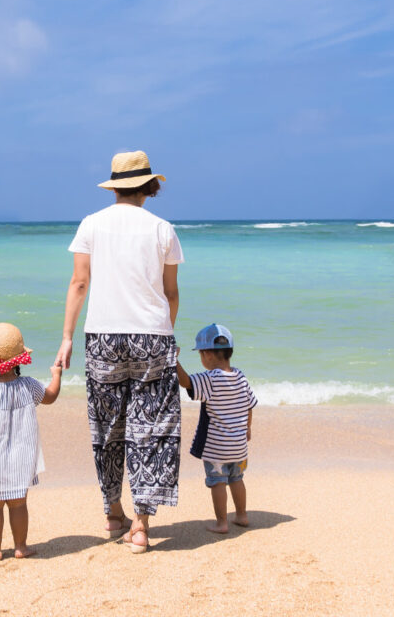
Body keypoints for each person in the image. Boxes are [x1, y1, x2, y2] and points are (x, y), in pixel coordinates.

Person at [57, 150, 183, 554]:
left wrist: (67, 337)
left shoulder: (91, 224)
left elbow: (79, 283)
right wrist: (164, 334)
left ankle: (114, 511)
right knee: (153, 426)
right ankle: (142, 525)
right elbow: (171, 294)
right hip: (152, 336)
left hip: (103, 336)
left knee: (107, 425)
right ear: (149, 186)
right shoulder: (163, 228)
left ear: (114, 186)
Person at [0, 322, 63, 560]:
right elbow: (51, 396)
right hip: (21, 458)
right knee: (18, 505)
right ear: (19, 360)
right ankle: (21, 547)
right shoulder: (29, 387)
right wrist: (56, 376)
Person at [175, 322, 257, 534]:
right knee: (237, 479)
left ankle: (222, 522)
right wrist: (247, 428)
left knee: (217, 482)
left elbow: (186, 382)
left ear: (208, 355)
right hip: (239, 445)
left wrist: (173, 361)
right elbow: (249, 405)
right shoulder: (240, 376)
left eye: (201, 354)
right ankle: (242, 515)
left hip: (216, 447)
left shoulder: (210, 379)